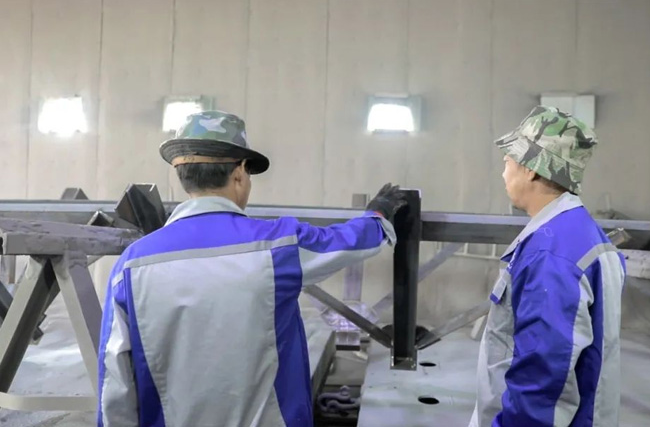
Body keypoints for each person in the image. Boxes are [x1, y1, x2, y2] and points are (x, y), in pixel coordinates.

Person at [96, 110, 405, 427]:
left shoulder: (131, 266)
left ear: (182, 175)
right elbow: (346, 242)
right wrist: (378, 215)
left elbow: (114, 385)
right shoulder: (277, 246)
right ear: (240, 174)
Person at [469, 106, 626, 427]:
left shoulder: (551, 252)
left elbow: (543, 383)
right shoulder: (582, 234)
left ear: (530, 169)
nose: (503, 173)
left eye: (507, 162)